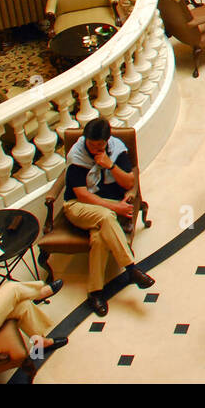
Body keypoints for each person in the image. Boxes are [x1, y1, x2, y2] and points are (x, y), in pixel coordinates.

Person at [62, 118, 154, 316]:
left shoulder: (116, 148)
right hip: (78, 206)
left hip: (106, 210)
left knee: (98, 239)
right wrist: (116, 207)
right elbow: (82, 195)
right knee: (106, 216)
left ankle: (95, 292)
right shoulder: (76, 156)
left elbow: (130, 181)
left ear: (107, 140)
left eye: (100, 145)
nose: (95, 148)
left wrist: (109, 165)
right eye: (91, 144)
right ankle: (131, 269)